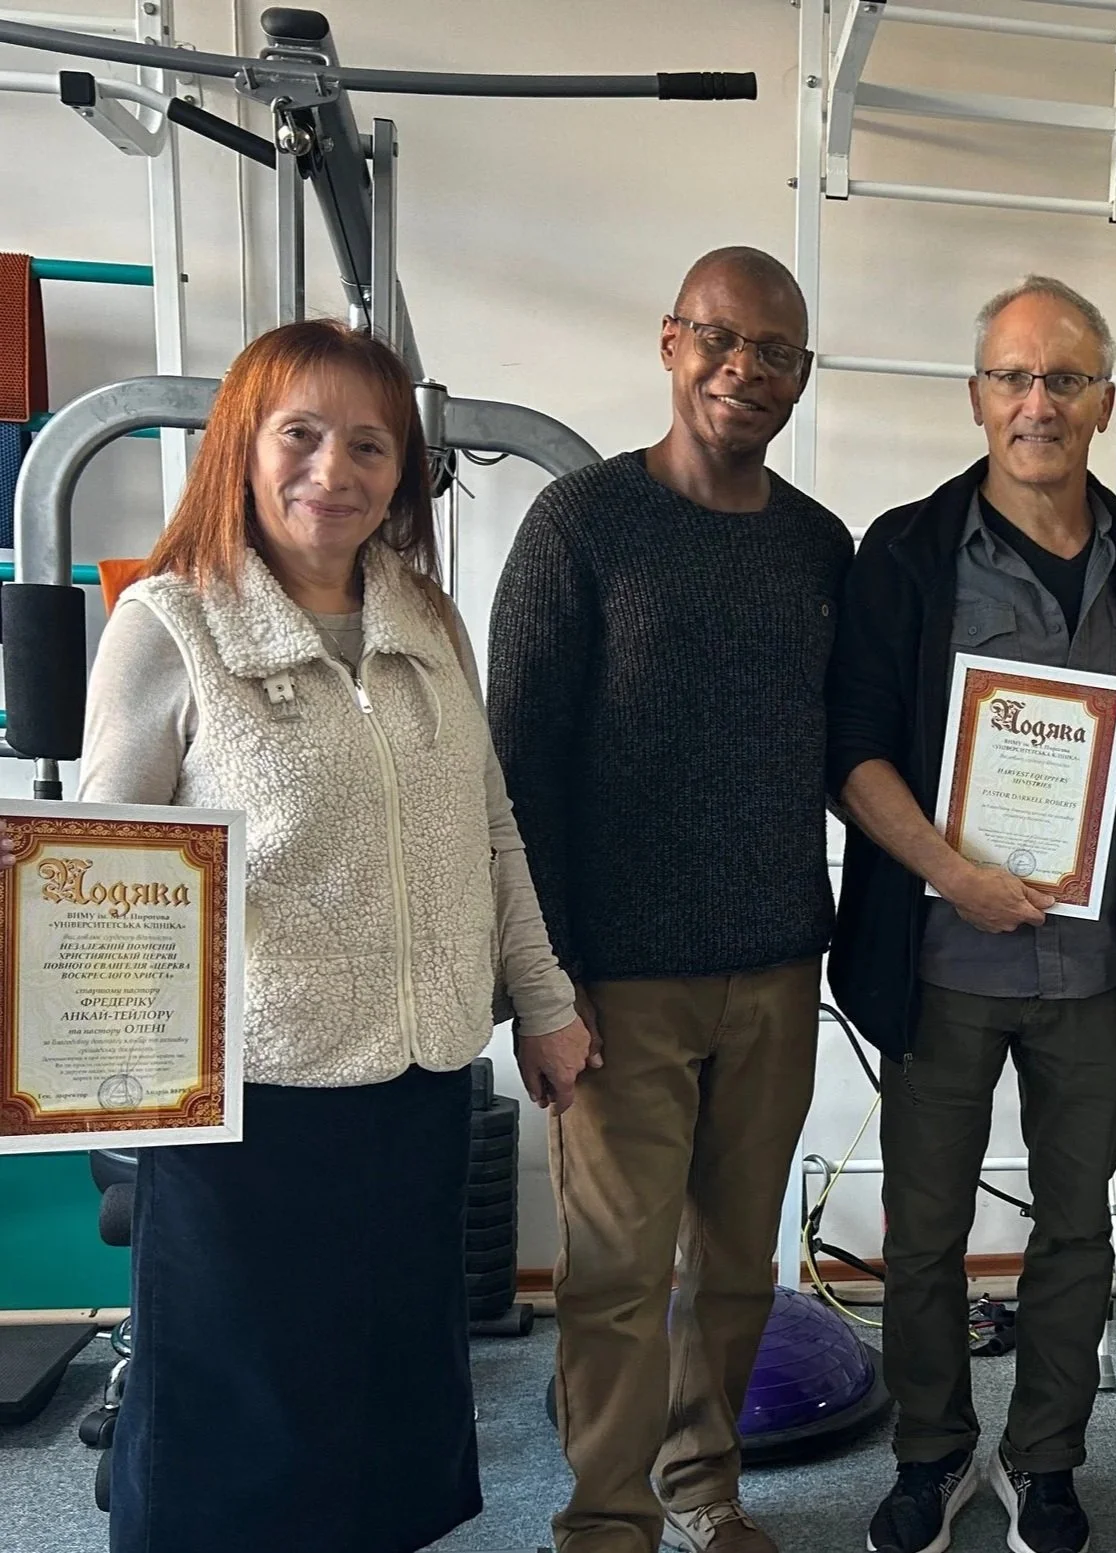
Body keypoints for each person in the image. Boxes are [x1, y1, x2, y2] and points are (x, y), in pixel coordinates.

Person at [47, 318, 590, 1553]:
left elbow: (488, 824)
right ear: (244, 444)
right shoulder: (171, 626)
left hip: (415, 1083)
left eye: (369, 445)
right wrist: (100, 1078)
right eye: (301, 435)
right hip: (250, 1102)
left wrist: (544, 1001)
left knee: (387, 1394)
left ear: (401, 473)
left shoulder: (427, 622)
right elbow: (101, 872)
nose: (332, 471)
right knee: (239, 1415)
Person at [488, 247, 854, 1553]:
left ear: (801, 378)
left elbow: (849, 754)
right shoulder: (579, 527)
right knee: (616, 1276)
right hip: (615, 987)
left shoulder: (819, 548)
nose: (741, 371)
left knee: (737, 1266)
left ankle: (706, 1498)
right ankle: (604, 1522)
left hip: (770, 974)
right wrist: (539, 987)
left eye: (773, 354)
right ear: (667, 341)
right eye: (719, 339)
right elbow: (513, 776)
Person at [827, 275, 1116, 1553]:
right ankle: (933, 1453)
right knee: (923, 1232)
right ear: (978, 395)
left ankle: (1048, 1461)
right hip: (940, 956)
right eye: (1014, 377)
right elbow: (853, 748)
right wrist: (953, 870)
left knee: (1075, 1227)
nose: (1039, 403)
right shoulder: (906, 552)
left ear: (1103, 400)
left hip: (1093, 968)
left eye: (1066, 378)